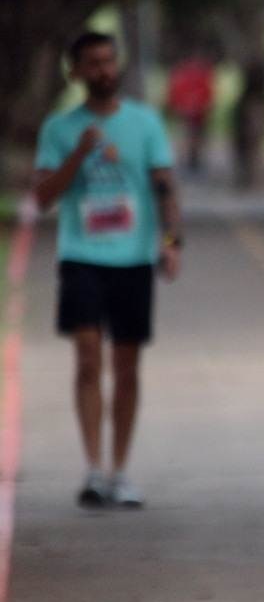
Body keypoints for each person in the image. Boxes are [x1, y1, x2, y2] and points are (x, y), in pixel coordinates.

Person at [32, 31, 183, 508]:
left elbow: (164, 185)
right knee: (87, 358)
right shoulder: (59, 129)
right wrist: (79, 152)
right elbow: (42, 199)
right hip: (82, 255)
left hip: (133, 259)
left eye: (109, 61)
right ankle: (93, 469)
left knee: (127, 365)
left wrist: (171, 241)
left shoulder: (145, 123)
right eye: (93, 63)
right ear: (75, 72)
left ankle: (121, 470)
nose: (104, 70)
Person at [165, 53, 215, 175]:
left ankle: (195, 162)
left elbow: (208, 93)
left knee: (196, 139)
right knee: (189, 138)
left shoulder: (199, 75)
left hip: (198, 113)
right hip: (188, 112)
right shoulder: (183, 74)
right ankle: (189, 163)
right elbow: (175, 92)